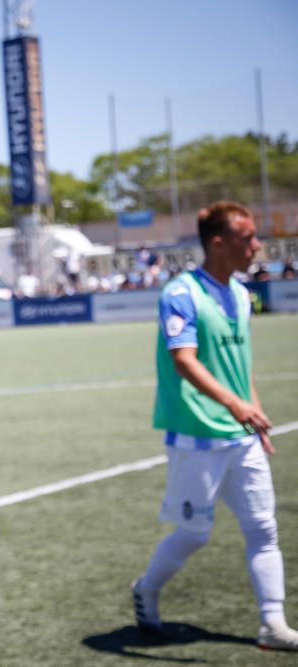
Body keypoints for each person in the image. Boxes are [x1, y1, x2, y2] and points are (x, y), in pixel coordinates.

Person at [133, 201, 298, 651]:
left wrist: (253, 414)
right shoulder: (182, 293)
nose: (257, 246)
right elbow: (183, 360)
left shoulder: (242, 294)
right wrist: (234, 405)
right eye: (248, 237)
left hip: (241, 435)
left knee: (263, 528)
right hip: (196, 434)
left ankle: (272, 624)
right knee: (194, 533)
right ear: (219, 242)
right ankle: (146, 590)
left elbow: (240, 368)